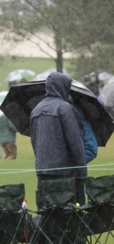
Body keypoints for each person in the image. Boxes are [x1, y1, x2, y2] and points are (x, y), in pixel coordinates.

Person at [30, 73, 87, 207]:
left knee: (47, 213)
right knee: (67, 215)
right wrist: (82, 172)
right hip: (64, 173)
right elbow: (75, 143)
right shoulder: (64, 108)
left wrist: (42, 163)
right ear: (63, 87)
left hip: (42, 171)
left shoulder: (36, 110)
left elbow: (34, 142)